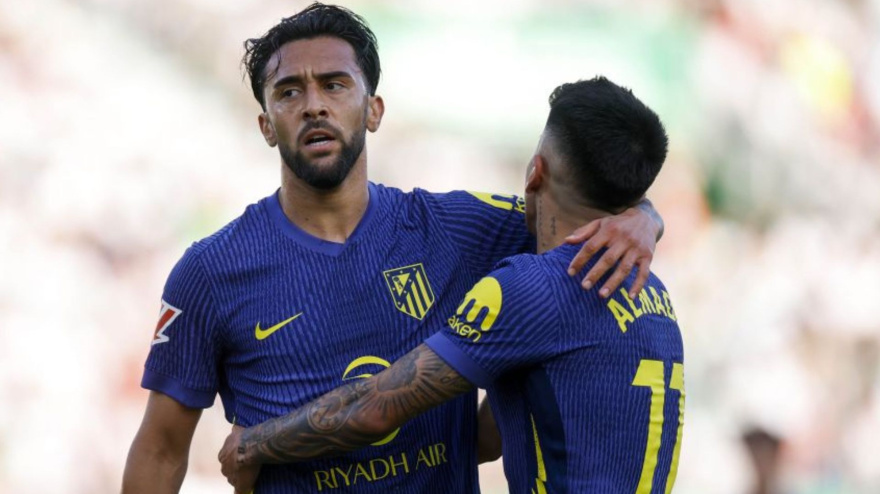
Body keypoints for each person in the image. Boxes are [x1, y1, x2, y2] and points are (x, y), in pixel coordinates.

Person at [121, 3, 664, 493]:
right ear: (266, 125)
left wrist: (643, 216)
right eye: (290, 91)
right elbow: (161, 449)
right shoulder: (210, 272)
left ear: (374, 110)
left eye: (334, 84)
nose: (313, 105)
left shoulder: (459, 227)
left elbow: (570, 203)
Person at [219, 76, 684, 494]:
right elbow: (488, 438)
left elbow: (375, 409)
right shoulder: (653, 291)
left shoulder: (530, 288)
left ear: (534, 172)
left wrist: (253, 445)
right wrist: (648, 215)